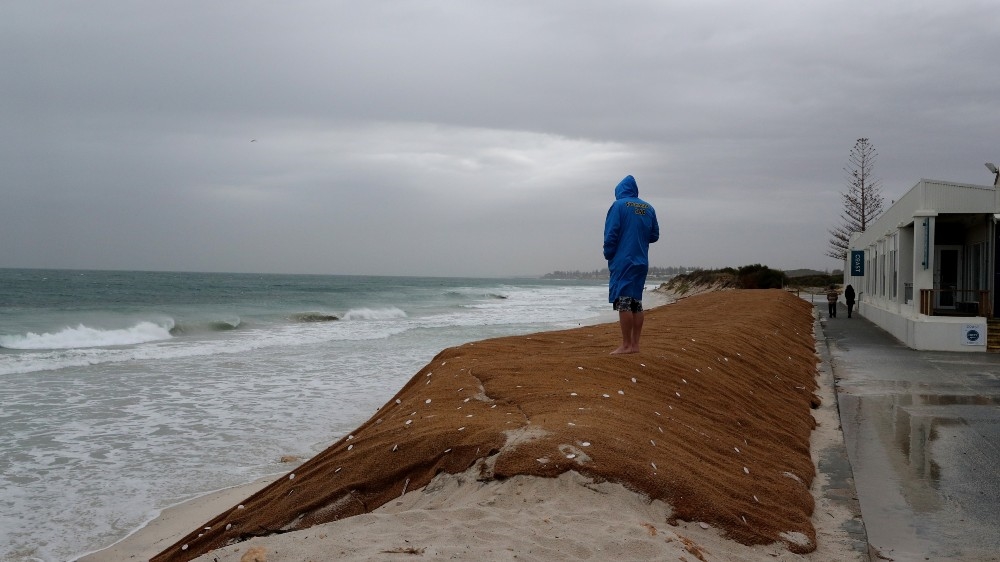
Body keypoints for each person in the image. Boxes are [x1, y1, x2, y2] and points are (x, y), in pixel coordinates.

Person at [603, 175, 659, 354]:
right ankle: (635, 344)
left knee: (624, 302)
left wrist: (608, 253)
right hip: (641, 260)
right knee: (637, 302)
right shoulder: (648, 208)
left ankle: (626, 345)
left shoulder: (618, 206)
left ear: (619, 191)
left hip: (623, 259)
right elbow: (654, 235)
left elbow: (611, 233)